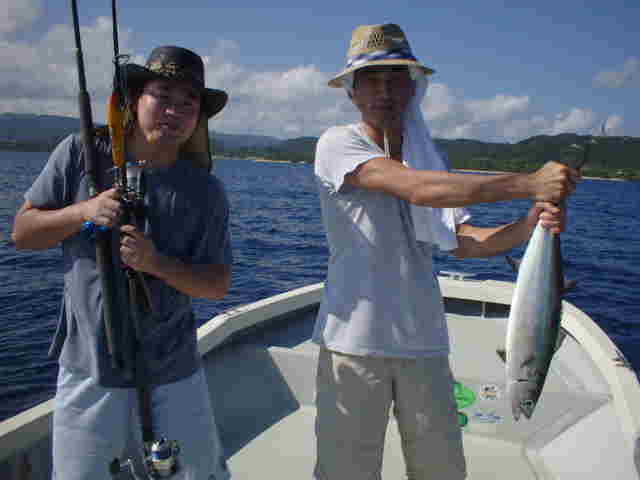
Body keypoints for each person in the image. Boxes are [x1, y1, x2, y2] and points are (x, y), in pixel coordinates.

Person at [312, 24, 580, 480]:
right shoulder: (338, 144)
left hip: (425, 344)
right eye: (372, 80)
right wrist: (528, 183)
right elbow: (417, 189)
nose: (384, 91)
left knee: (442, 470)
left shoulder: (427, 158)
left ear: (413, 88)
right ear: (352, 91)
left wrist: (529, 224)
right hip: (354, 343)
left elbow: (463, 240)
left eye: (396, 79)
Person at [12, 46, 232, 480]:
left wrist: (156, 263)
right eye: (162, 96)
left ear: (198, 118)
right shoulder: (80, 153)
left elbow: (217, 284)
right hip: (90, 369)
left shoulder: (206, 192)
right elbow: (22, 232)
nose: (174, 111)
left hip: (174, 369)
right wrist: (84, 211)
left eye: (188, 103)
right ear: (134, 99)